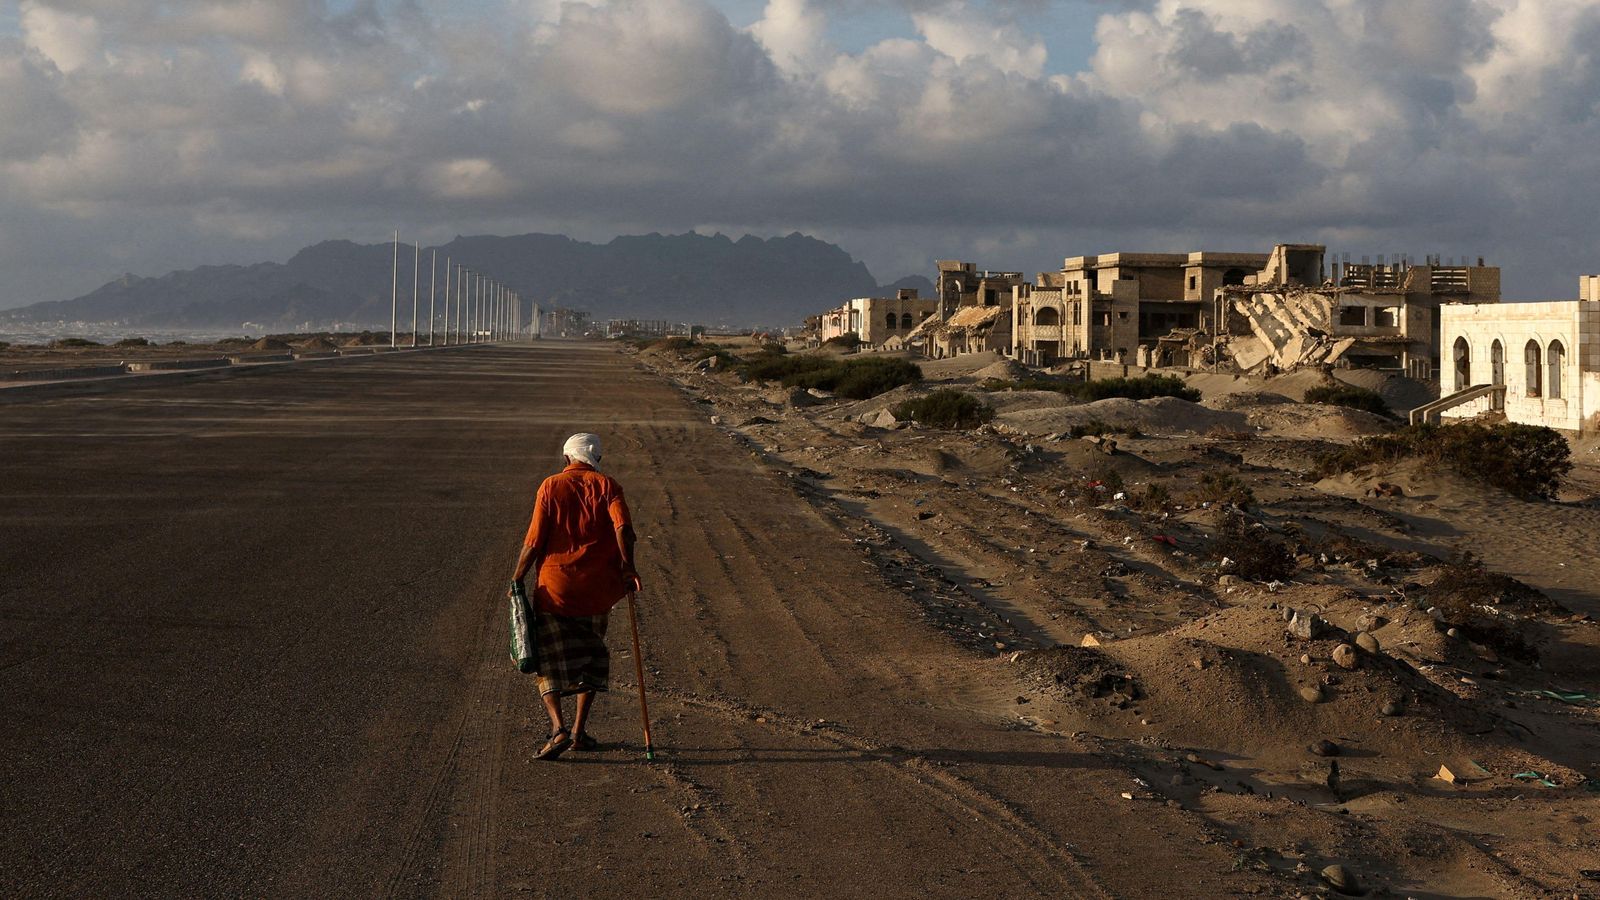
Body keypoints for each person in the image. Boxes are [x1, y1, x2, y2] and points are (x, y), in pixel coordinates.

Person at [510, 433, 641, 760]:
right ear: (597, 459)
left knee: (548, 660)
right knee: (590, 657)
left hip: (556, 590)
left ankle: (559, 728)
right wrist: (628, 569)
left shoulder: (551, 486)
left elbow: (534, 541)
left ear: (568, 459)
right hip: (597, 592)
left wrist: (517, 576)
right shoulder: (608, 486)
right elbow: (623, 529)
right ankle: (580, 732)